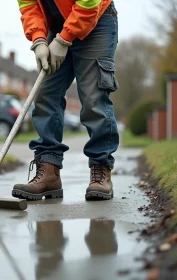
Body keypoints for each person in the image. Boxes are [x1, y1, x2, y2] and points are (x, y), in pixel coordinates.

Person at [12, 0, 119, 201]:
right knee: (46, 94)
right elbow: (28, 6)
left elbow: (90, 2)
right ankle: (49, 173)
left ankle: (100, 170)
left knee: (93, 97)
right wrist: (39, 39)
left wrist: (64, 39)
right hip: (57, 24)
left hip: (95, 19)